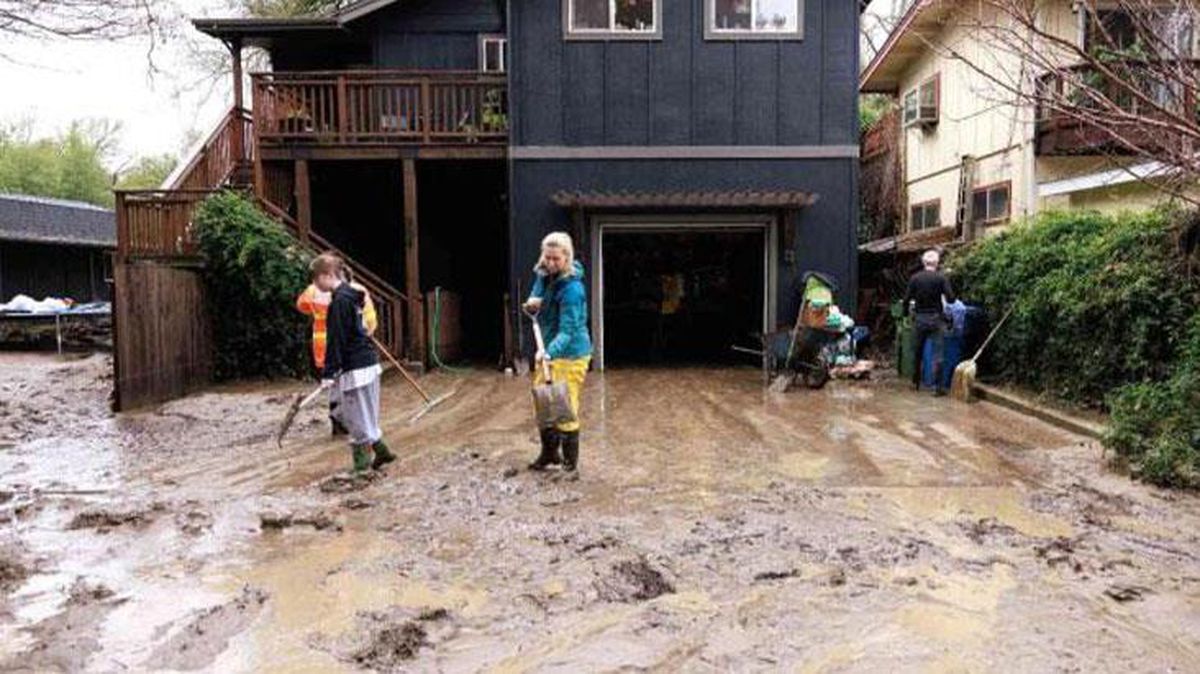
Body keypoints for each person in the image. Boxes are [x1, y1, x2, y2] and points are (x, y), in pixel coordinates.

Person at [311, 253, 396, 473]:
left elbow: (337, 339)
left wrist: (329, 373)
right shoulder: (352, 296)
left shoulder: (339, 302)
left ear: (327, 275)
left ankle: (361, 468)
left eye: (316, 279)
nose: (314, 284)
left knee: (355, 416)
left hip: (356, 368)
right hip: (368, 362)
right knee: (367, 412)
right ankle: (382, 451)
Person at [523, 232, 593, 478]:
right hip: (549, 348)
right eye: (548, 257)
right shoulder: (545, 274)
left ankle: (570, 464)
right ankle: (550, 453)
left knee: (563, 405)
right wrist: (533, 302)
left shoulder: (573, 290)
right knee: (543, 399)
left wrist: (549, 353)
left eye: (556, 259)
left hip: (571, 353)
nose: (551, 263)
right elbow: (537, 297)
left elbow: (569, 329)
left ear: (567, 258)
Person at [296, 276, 378, 436]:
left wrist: (318, 313)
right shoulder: (358, 290)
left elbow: (301, 305)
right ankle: (350, 424)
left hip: (322, 347)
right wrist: (366, 331)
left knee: (332, 384)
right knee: (349, 388)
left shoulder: (313, 289)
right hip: (348, 350)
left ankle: (337, 420)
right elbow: (370, 322)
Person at [904, 249, 956, 396]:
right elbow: (951, 299)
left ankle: (915, 383)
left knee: (917, 352)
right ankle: (937, 388)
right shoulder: (941, 278)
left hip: (920, 318)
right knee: (938, 354)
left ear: (923, 262)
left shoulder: (915, 278)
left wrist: (905, 314)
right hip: (936, 319)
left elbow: (907, 299)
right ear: (937, 263)